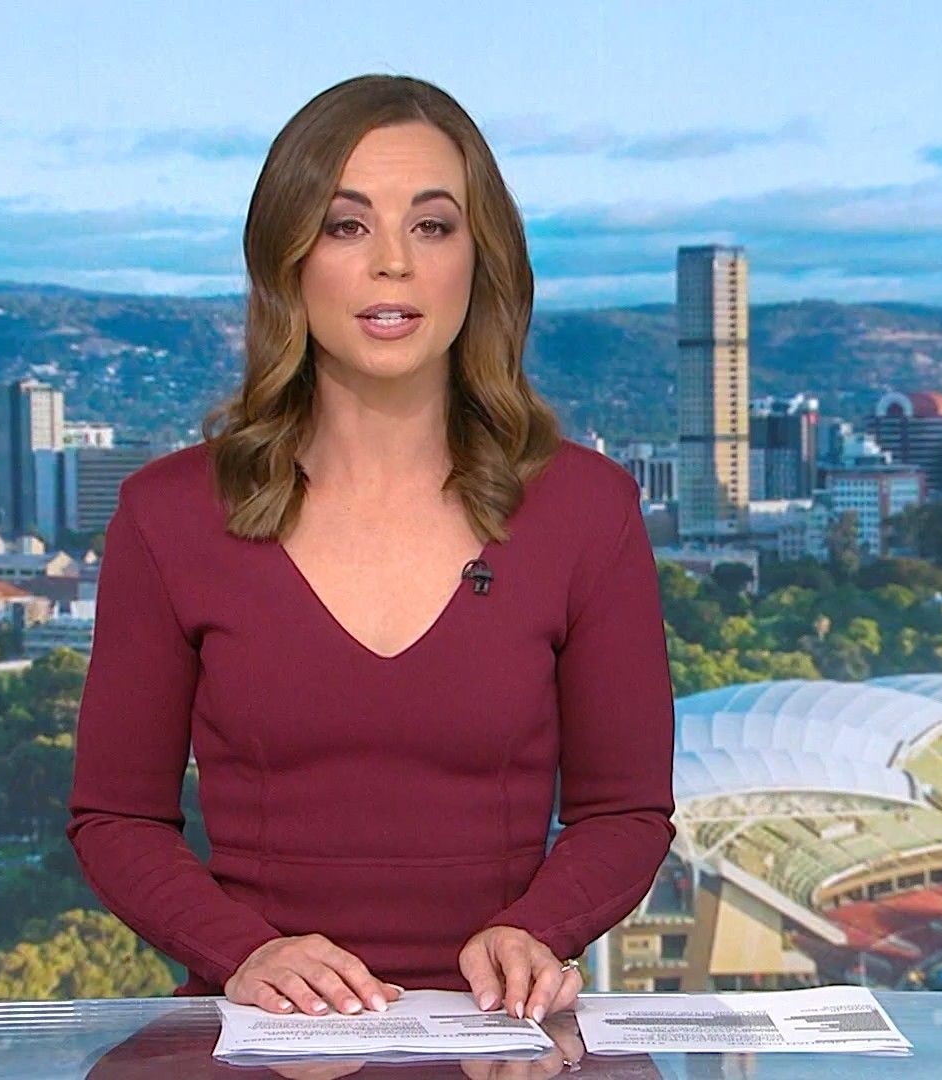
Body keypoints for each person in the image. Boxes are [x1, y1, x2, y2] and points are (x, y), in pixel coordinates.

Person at [66, 73, 675, 1028]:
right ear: (288, 258)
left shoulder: (587, 510)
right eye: (346, 226)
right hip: (263, 1041)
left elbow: (625, 811)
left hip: (502, 1038)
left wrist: (539, 930)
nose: (393, 262)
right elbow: (116, 817)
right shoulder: (168, 516)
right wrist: (244, 952)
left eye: (432, 226)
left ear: (481, 259)